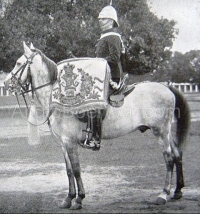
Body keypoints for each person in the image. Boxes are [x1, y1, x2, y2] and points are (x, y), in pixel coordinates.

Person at [85, 5, 124, 150]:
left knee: (95, 103)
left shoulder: (113, 36)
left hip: (112, 76)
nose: (100, 21)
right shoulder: (105, 36)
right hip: (103, 74)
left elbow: (115, 57)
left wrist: (97, 62)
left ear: (111, 20)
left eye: (103, 19)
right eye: (100, 19)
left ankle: (95, 139)